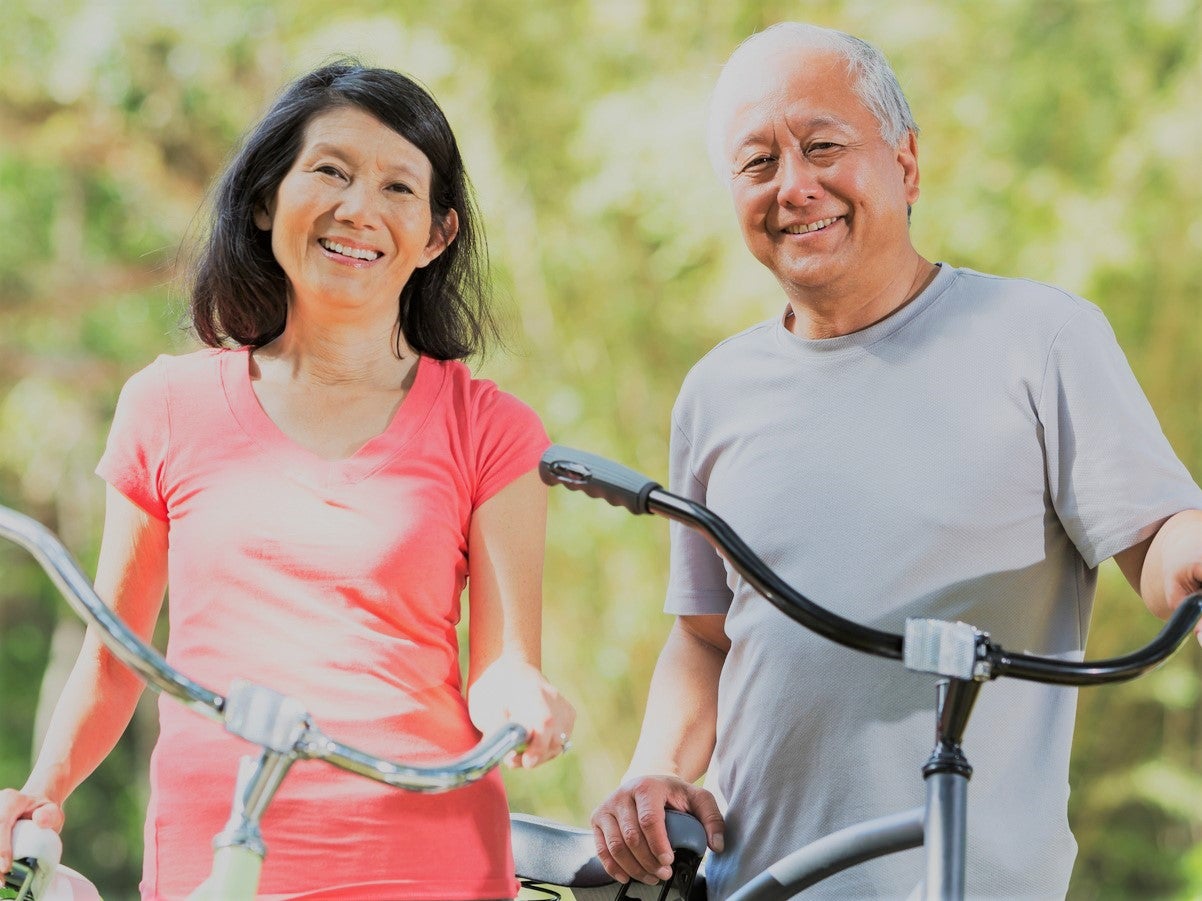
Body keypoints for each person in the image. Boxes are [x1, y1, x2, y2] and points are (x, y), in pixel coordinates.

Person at [589, 22, 1202, 900]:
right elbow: (704, 634)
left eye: (823, 146)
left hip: (967, 879)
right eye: (758, 164)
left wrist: (1194, 554)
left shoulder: (1041, 339)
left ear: (906, 164)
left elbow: (1158, 535)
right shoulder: (718, 389)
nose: (794, 187)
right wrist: (654, 767)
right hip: (759, 883)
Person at [0, 61, 575, 900]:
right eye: (331, 171)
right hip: (220, 857)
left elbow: (500, 667)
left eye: (398, 188)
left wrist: (527, 699)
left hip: (430, 862)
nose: (358, 208)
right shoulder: (166, 404)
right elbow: (116, 652)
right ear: (268, 199)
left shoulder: (492, 428)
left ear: (436, 235)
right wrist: (42, 794)